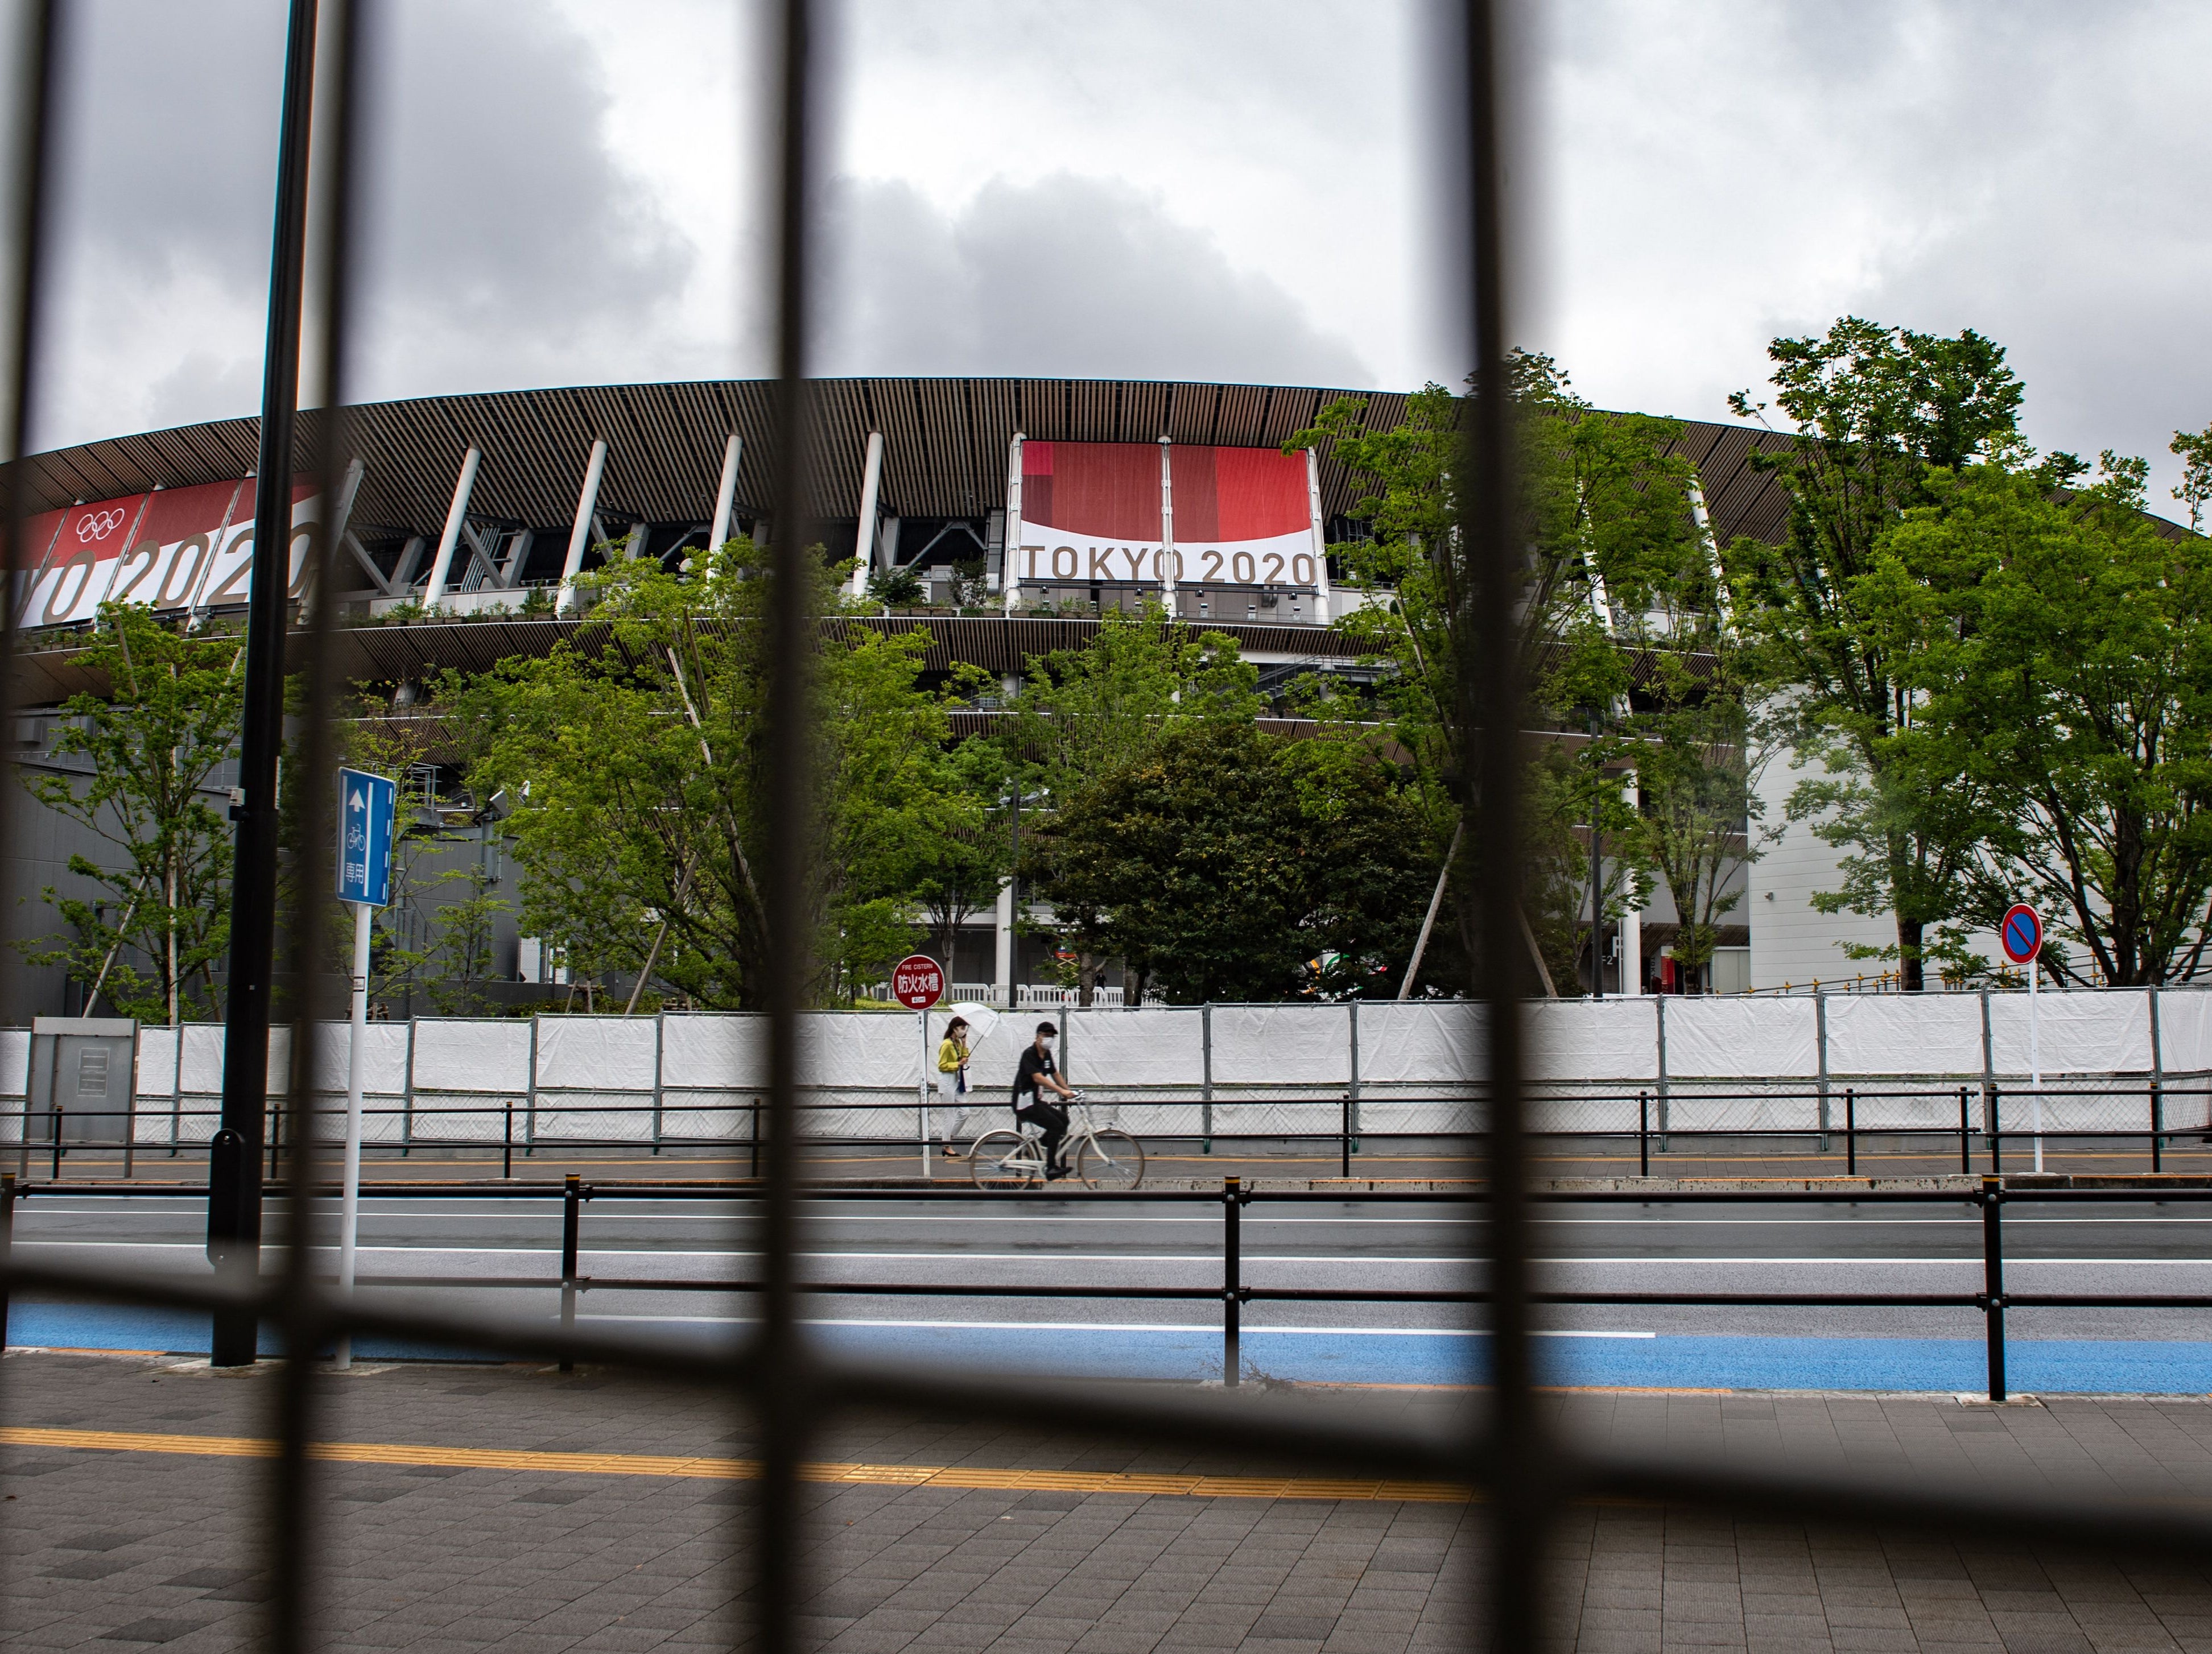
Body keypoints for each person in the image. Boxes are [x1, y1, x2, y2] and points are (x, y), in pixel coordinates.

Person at [1012, 1020, 1076, 1179]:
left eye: (1052, 1036)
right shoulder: (1029, 1054)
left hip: (1035, 1101)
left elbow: (1055, 1074)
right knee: (1055, 1126)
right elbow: (1038, 1078)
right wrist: (1061, 1091)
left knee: (1064, 1120)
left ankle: (1035, 1146)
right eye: (1046, 1035)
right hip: (1024, 1103)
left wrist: (1069, 1090)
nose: (1049, 1039)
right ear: (1038, 1037)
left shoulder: (1046, 1054)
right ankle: (1051, 1167)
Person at [935, 1015, 972, 1157]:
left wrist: (964, 1043)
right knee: (949, 1115)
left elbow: (964, 1056)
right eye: (962, 1028)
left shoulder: (956, 1043)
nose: (964, 1030)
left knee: (965, 1112)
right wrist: (958, 1064)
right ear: (955, 1028)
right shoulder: (947, 1044)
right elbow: (942, 1065)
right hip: (947, 1081)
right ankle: (947, 1146)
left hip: (956, 1081)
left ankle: (948, 1138)